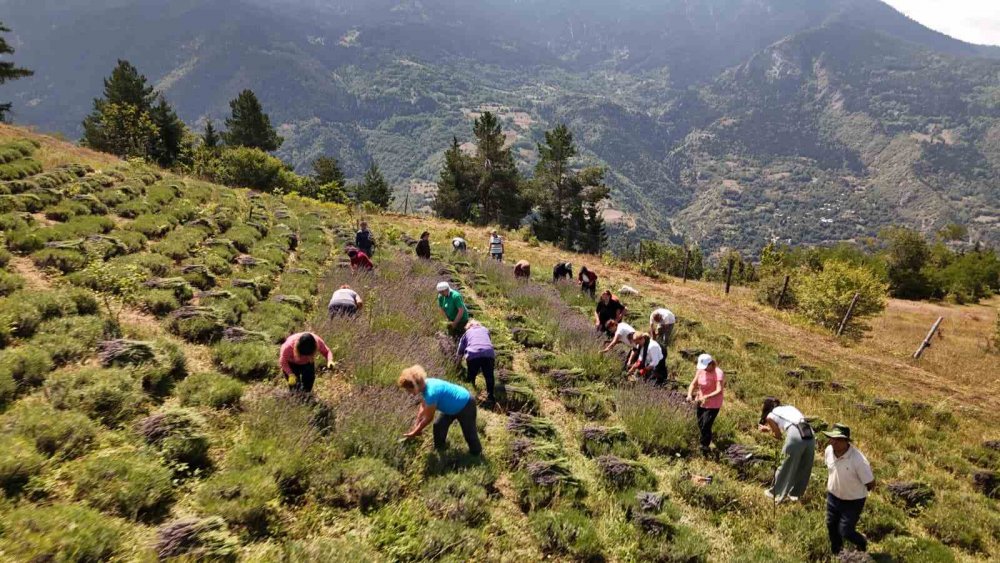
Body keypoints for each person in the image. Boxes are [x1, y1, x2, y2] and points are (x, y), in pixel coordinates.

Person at [399, 365, 481, 455]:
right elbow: (423, 404)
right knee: (439, 426)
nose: (409, 393)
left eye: (409, 390)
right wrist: (417, 422)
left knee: (469, 433)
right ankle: (440, 449)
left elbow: (428, 418)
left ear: (415, 385)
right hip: (452, 405)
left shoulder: (431, 393)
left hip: (465, 404)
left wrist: (416, 431)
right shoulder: (426, 384)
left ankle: (476, 454)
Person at [823, 424, 875, 556]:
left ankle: (861, 542)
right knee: (831, 525)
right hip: (833, 497)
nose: (833, 442)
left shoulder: (858, 460)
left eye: (838, 439)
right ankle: (838, 553)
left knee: (845, 530)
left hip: (853, 501)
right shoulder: (828, 450)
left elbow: (870, 482)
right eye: (831, 438)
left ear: (846, 441)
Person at [759, 397, 816, 502]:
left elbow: (778, 436)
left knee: (786, 464)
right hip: (810, 433)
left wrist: (767, 430)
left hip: (795, 433)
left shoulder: (770, 416)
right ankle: (795, 494)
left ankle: (775, 493)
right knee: (804, 466)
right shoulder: (789, 408)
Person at [687, 354, 724, 456]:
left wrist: (707, 397)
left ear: (711, 364)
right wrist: (689, 395)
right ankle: (705, 440)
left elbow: (719, 390)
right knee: (700, 423)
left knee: (706, 424)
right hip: (700, 401)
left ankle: (704, 447)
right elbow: (693, 384)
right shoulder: (700, 371)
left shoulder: (718, 373)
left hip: (713, 404)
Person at [457, 321, 496, 404]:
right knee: (489, 376)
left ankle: (471, 395)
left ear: (468, 327)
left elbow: (460, 350)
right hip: (488, 353)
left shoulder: (467, 333)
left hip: (473, 353)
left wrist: (458, 363)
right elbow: (488, 341)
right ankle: (491, 396)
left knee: (471, 375)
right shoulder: (485, 329)